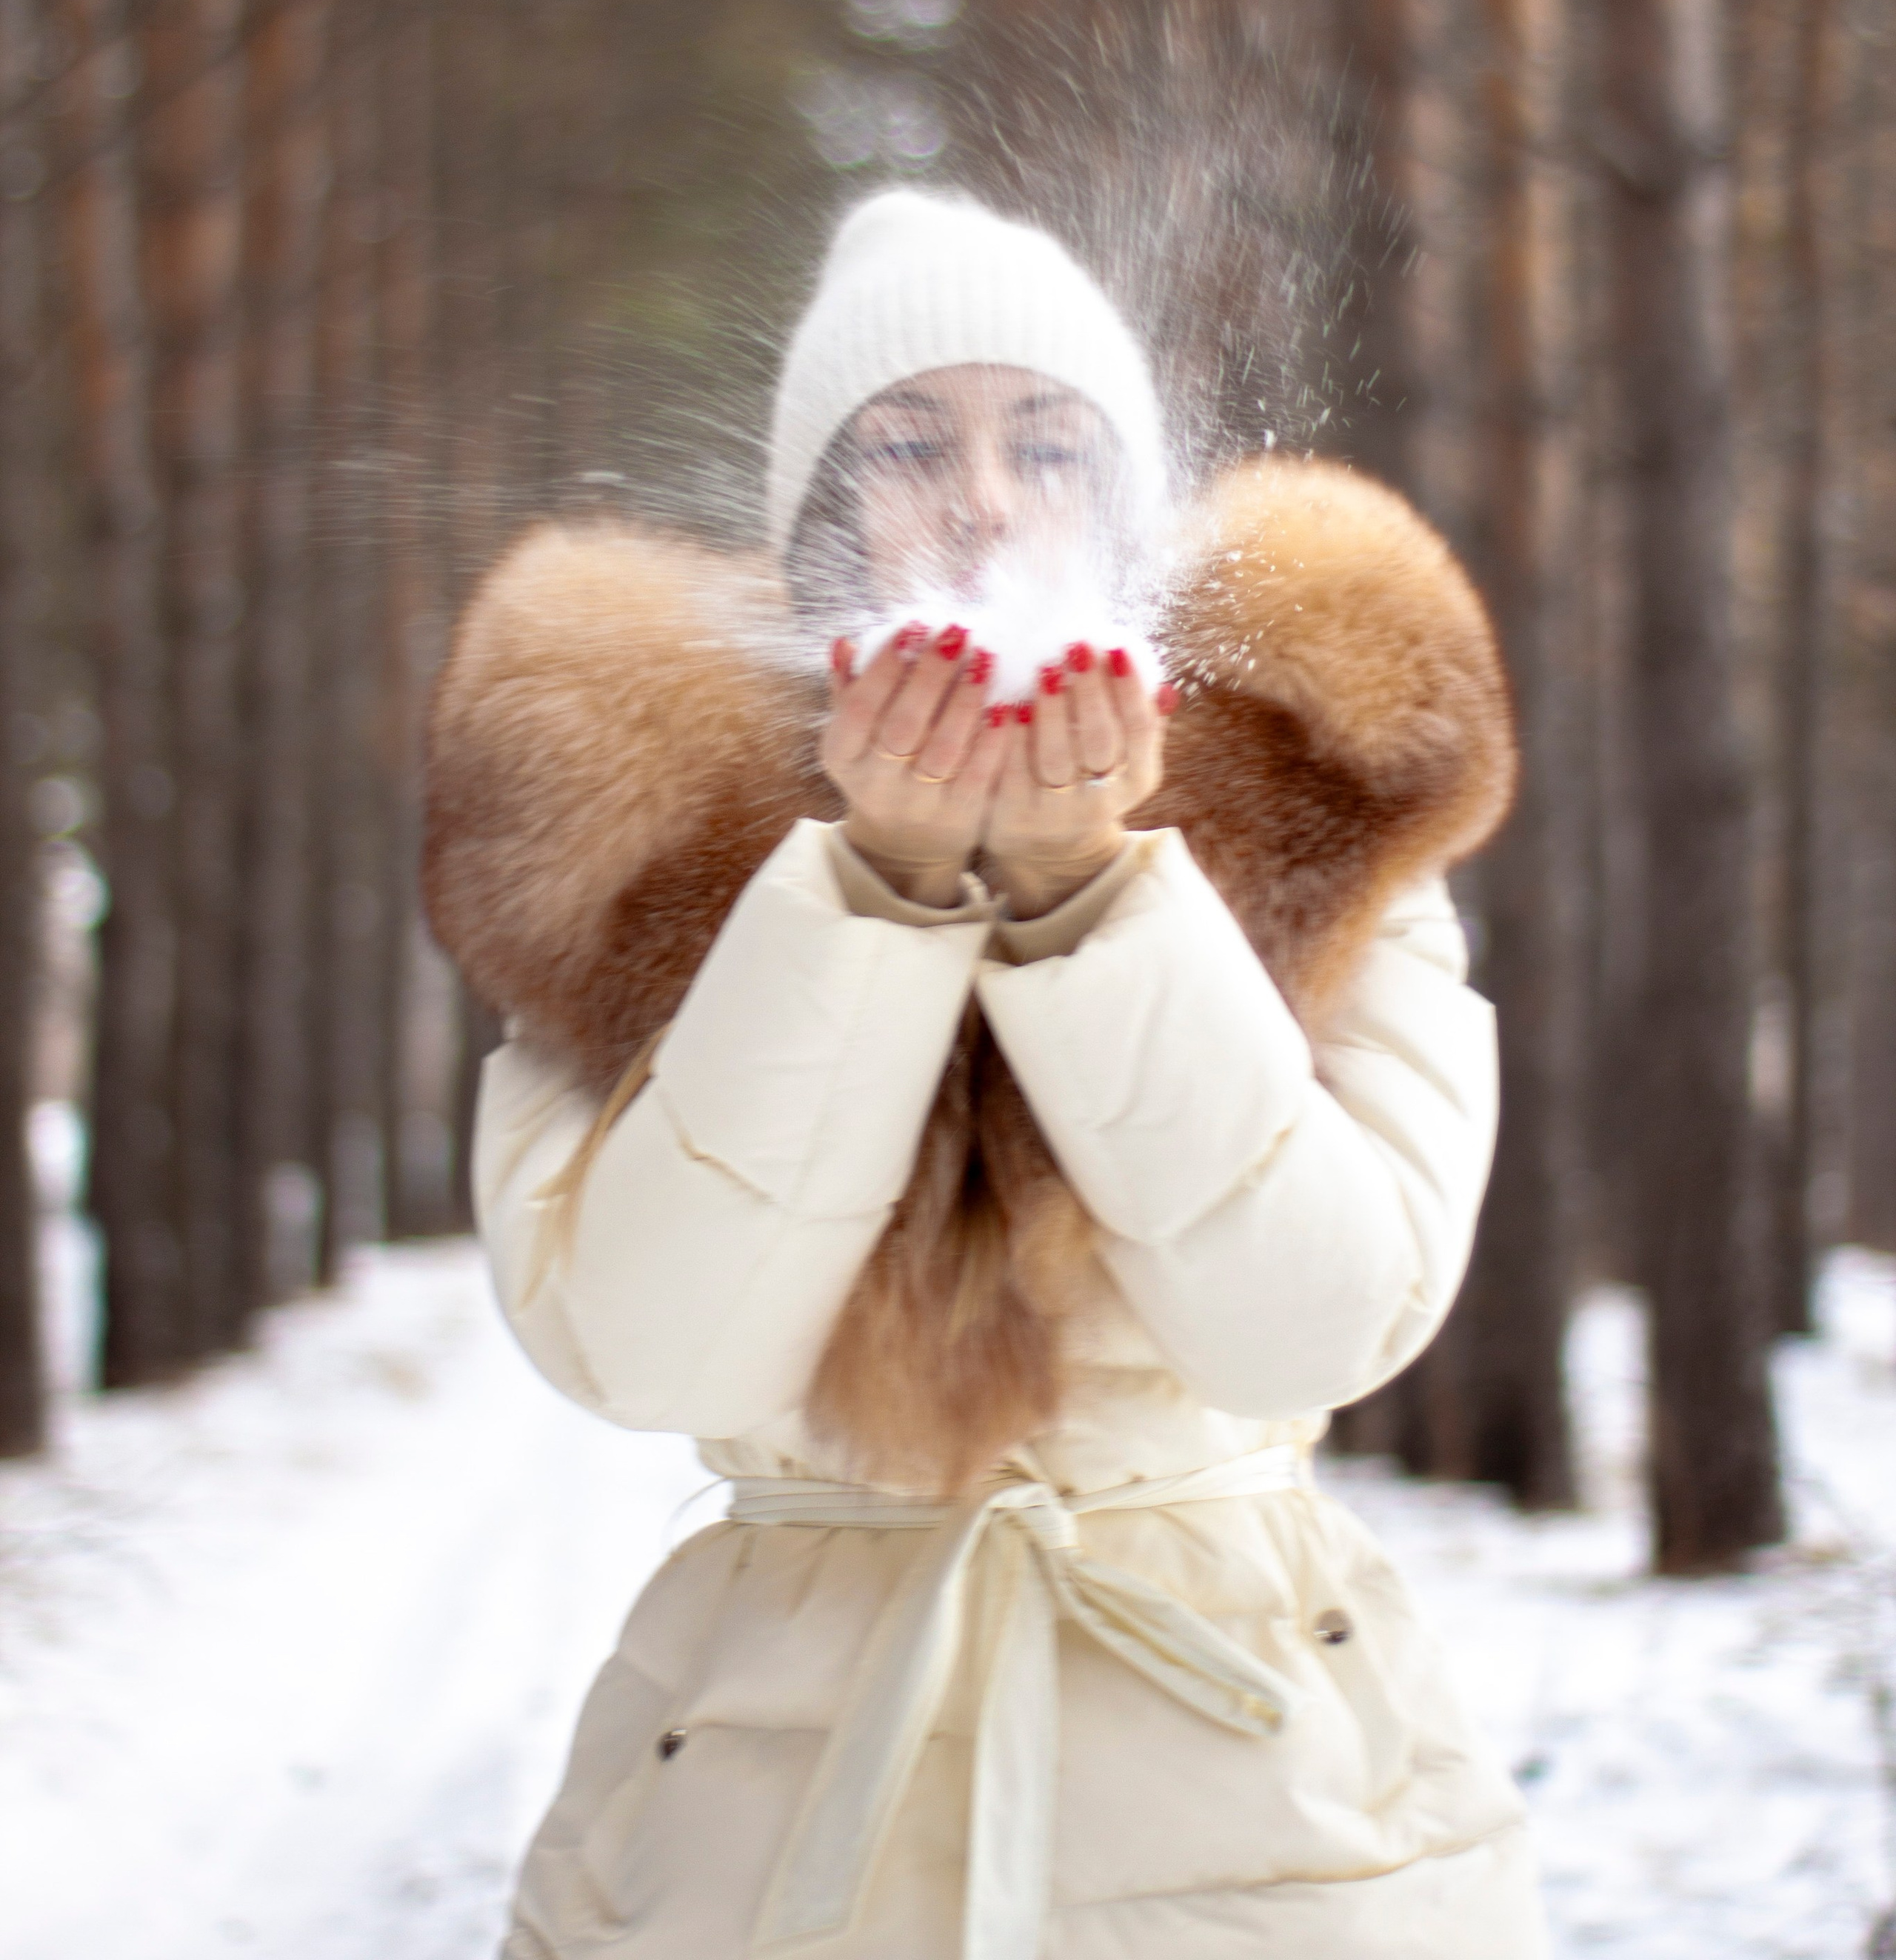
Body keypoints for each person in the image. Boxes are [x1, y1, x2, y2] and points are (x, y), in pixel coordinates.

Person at [424, 188, 1551, 1959]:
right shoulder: (630, 843)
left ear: (1130, 511)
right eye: (901, 446)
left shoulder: (1321, 811)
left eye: (1047, 445)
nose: (979, 499)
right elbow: (651, 1351)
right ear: (810, 526)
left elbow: (1315, 1326)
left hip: (1260, 1813)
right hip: (765, 1837)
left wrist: (1092, 897)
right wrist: (867, 898)